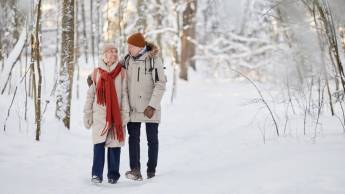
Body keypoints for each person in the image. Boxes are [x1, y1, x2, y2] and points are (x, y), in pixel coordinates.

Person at [122, 32, 167, 180]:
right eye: (128, 45)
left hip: (149, 108)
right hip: (133, 107)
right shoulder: (127, 59)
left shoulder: (154, 59)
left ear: (139, 46)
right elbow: (112, 69)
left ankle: (151, 171)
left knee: (152, 139)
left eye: (131, 46)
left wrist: (152, 106)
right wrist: (94, 76)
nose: (128, 48)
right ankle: (135, 170)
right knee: (133, 138)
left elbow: (160, 84)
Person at [83, 43, 130, 184]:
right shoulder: (96, 73)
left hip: (116, 114)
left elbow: (124, 94)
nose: (114, 54)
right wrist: (88, 113)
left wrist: (125, 112)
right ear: (104, 55)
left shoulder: (121, 72)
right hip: (100, 115)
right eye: (111, 51)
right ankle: (96, 175)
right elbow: (90, 95)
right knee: (98, 144)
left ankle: (113, 175)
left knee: (114, 145)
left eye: (116, 51)